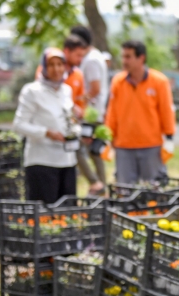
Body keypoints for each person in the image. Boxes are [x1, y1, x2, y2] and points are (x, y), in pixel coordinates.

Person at [105, 41, 175, 184]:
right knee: (125, 192)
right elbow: (112, 112)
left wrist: (169, 137)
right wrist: (107, 136)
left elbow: (166, 111)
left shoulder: (159, 81)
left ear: (141, 58)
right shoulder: (117, 82)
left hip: (151, 145)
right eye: (123, 57)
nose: (124, 61)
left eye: (128, 57)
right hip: (123, 146)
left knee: (153, 191)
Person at [13, 48, 77, 204]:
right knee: (45, 214)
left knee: (68, 212)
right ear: (44, 67)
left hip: (67, 160)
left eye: (60, 64)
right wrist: (46, 133)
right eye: (51, 65)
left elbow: (69, 120)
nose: (56, 69)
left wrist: (77, 131)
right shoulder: (32, 91)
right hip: (42, 161)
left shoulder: (66, 90)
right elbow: (19, 125)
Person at [70, 26, 108, 194]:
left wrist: (78, 100)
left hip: (90, 113)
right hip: (96, 112)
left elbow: (95, 88)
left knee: (78, 149)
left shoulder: (91, 60)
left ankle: (97, 184)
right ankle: (102, 186)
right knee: (94, 151)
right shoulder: (97, 56)